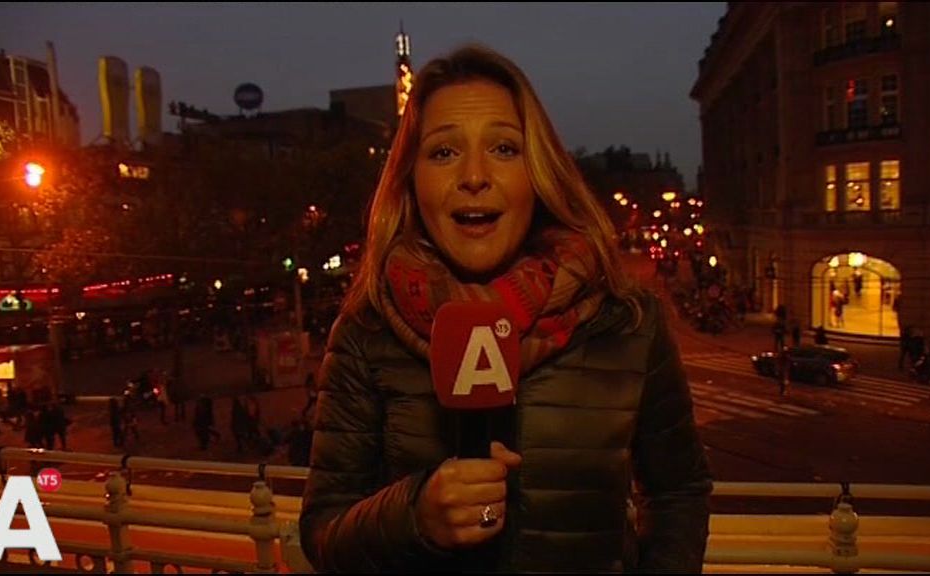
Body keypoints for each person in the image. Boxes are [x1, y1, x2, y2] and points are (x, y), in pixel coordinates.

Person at [299, 45, 712, 573]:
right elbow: (323, 532)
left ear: (538, 172)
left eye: (503, 148)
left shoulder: (628, 322)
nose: (474, 175)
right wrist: (413, 515)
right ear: (410, 181)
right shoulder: (366, 329)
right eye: (443, 152)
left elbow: (679, 492)